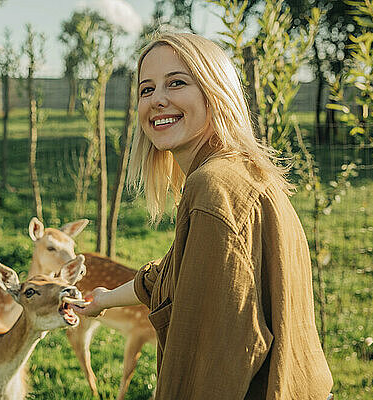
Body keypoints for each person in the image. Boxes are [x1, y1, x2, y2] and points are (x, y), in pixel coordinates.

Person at [72, 33, 333, 399]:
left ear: (215, 90)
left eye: (177, 82)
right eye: (146, 90)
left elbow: (209, 354)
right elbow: (174, 274)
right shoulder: (239, 172)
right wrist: (103, 299)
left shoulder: (212, 189)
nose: (157, 99)